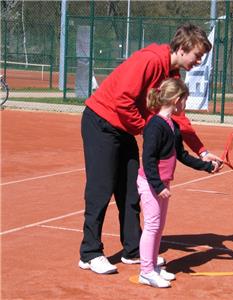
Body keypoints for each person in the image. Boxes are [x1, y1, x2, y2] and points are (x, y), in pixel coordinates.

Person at [78, 23, 222, 275]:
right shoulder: (150, 60)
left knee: (130, 191)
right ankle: (90, 253)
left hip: (123, 129)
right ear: (183, 47)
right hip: (101, 122)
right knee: (101, 189)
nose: (198, 61)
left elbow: (179, 120)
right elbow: (123, 98)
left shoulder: (173, 77)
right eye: (197, 55)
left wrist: (201, 151)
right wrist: (148, 129)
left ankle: (133, 250)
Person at [137, 78, 220, 288]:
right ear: (176, 100)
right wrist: (158, 186)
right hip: (151, 183)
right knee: (152, 226)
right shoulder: (154, 125)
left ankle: (153, 267)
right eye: (184, 101)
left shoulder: (172, 125)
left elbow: (181, 155)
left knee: (159, 227)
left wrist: (206, 166)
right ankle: (145, 271)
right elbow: (148, 160)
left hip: (162, 183)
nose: (185, 105)